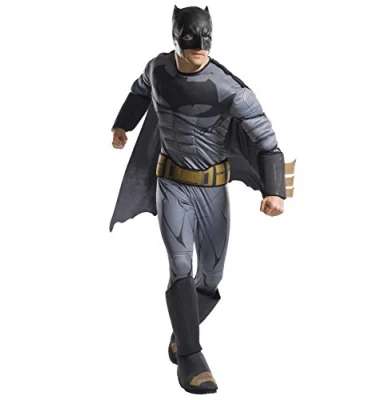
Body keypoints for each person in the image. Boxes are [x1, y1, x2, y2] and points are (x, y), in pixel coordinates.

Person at [110, 5, 287, 394]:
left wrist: (275, 190)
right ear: (176, 35)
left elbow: (267, 142)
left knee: (211, 277)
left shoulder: (229, 89)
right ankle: (191, 357)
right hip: (171, 183)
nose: (200, 45)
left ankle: (182, 333)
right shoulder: (157, 70)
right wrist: (123, 124)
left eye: (206, 37)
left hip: (213, 190)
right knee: (180, 266)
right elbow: (139, 92)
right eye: (191, 37)